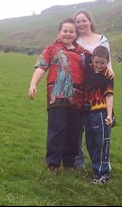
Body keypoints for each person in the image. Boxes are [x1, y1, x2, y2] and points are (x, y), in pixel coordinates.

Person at [28, 18, 87, 174]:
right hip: (57, 97)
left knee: (73, 132)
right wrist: (33, 83)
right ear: (59, 32)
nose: (68, 34)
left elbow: (93, 71)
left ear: (76, 34)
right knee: (57, 130)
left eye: (71, 31)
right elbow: (41, 67)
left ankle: (69, 162)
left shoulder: (82, 53)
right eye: (65, 31)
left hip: (78, 99)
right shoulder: (51, 49)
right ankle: (53, 163)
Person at [73, 9, 114, 170]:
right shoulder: (74, 40)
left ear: (90, 21)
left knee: (99, 132)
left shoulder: (102, 41)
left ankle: (103, 166)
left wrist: (110, 80)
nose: (81, 23)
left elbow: (108, 65)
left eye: (83, 20)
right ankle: (78, 162)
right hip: (78, 89)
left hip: (98, 93)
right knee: (77, 128)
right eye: (78, 21)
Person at [82, 45, 114, 184]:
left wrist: (109, 115)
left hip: (101, 113)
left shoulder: (108, 74)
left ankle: (103, 172)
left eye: (102, 63)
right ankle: (96, 169)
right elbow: (82, 48)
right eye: (96, 62)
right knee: (91, 143)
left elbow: (109, 95)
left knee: (102, 142)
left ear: (107, 61)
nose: (99, 65)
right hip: (87, 111)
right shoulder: (88, 66)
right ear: (92, 60)